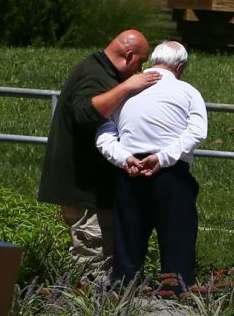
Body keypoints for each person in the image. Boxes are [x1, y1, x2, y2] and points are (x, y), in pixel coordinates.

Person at [37, 29, 160, 269]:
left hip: (89, 188)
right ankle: (84, 304)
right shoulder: (94, 74)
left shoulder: (99, 69)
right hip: (85, 190)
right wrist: (127, 87)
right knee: (92, 256)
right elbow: (85, 113)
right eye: (140, 62)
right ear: (128, 54)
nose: (139, 70)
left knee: (97, 252)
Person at [95, 39, 208, 288]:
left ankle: (124, 292)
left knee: (127, 240)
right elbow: (198, 132)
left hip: (129, 172)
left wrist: (124, 158)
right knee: (177, 237)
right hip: (171, 174)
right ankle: (174, 291)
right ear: (179, 67)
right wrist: (163, 157)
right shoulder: (188, 92)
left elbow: (104, 134)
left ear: (153, 61)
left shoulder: (125, 88)